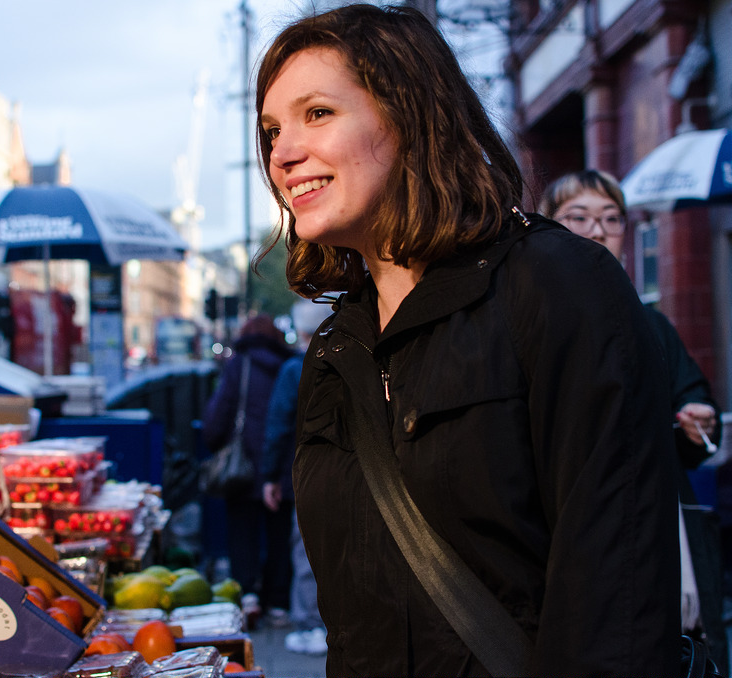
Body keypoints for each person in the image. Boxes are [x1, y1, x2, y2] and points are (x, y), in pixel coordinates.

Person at [255, 5, 680, 676]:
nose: (281, 153)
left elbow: (615, 602)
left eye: (317, 114)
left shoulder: (557, 286)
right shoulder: (335, 350)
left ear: (409, 114)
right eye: (272, 129)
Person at [540, 168, 727, 673]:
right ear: (548, 226)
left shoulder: (654, 326)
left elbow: (699, 423)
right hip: (569, 537)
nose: (597, 231)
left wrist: (698, 421)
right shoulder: (535, 322)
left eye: (610, 219)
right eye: (577, 217)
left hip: (663, 524)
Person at [201, 313, 294, 626]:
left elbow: (219, 414)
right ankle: (278, 601)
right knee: (280, 534)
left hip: (243, 466)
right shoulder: (289, 366)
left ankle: (248, 595)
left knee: (242, 532)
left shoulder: (239, 366)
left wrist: (214, 441)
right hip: (283, 465)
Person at [260, 299, 332, 655]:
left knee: (305, 549)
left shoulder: (293, 369)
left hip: (304, 468)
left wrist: (269, 476)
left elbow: (277, 426)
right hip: (343, 466)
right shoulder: (345, 357)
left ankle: (309, 624)